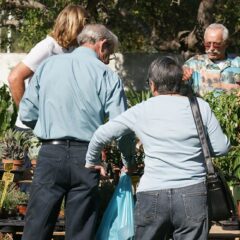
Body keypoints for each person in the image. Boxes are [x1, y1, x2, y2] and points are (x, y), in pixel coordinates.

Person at [85, 56, 230, 240]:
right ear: (180, 83)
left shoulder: (141, 110)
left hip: (152, 193)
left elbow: (100, 134)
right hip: (192, 191)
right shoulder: (200, 107)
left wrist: (92, 161)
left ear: (152, 85)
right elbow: (222, 148)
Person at [19, 23, 135, 240]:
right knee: (81, 230)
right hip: (87, 157)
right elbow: (122, 126)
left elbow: (26, 113)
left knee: (37, 226)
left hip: (50, 154)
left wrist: (50, 127)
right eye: (109, 52)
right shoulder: (107, 75)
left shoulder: (48, 66)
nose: (108, 58)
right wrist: (128, 160)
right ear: (103, 44)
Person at [8, 4, 89, 131]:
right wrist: (28, 116)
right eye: (85, 26)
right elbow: (15, 77)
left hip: (54, 128)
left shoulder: (72, 50)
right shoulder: (47, 47)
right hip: (31, 129)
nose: (87, 31)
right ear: (75, 26)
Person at [184, 23, 240, 96]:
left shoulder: (237, 63)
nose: (211, 48)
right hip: (202, 107)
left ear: (226, 44)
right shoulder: (193, 64)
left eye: (216, 44)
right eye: (207, 44)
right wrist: (184, 75)